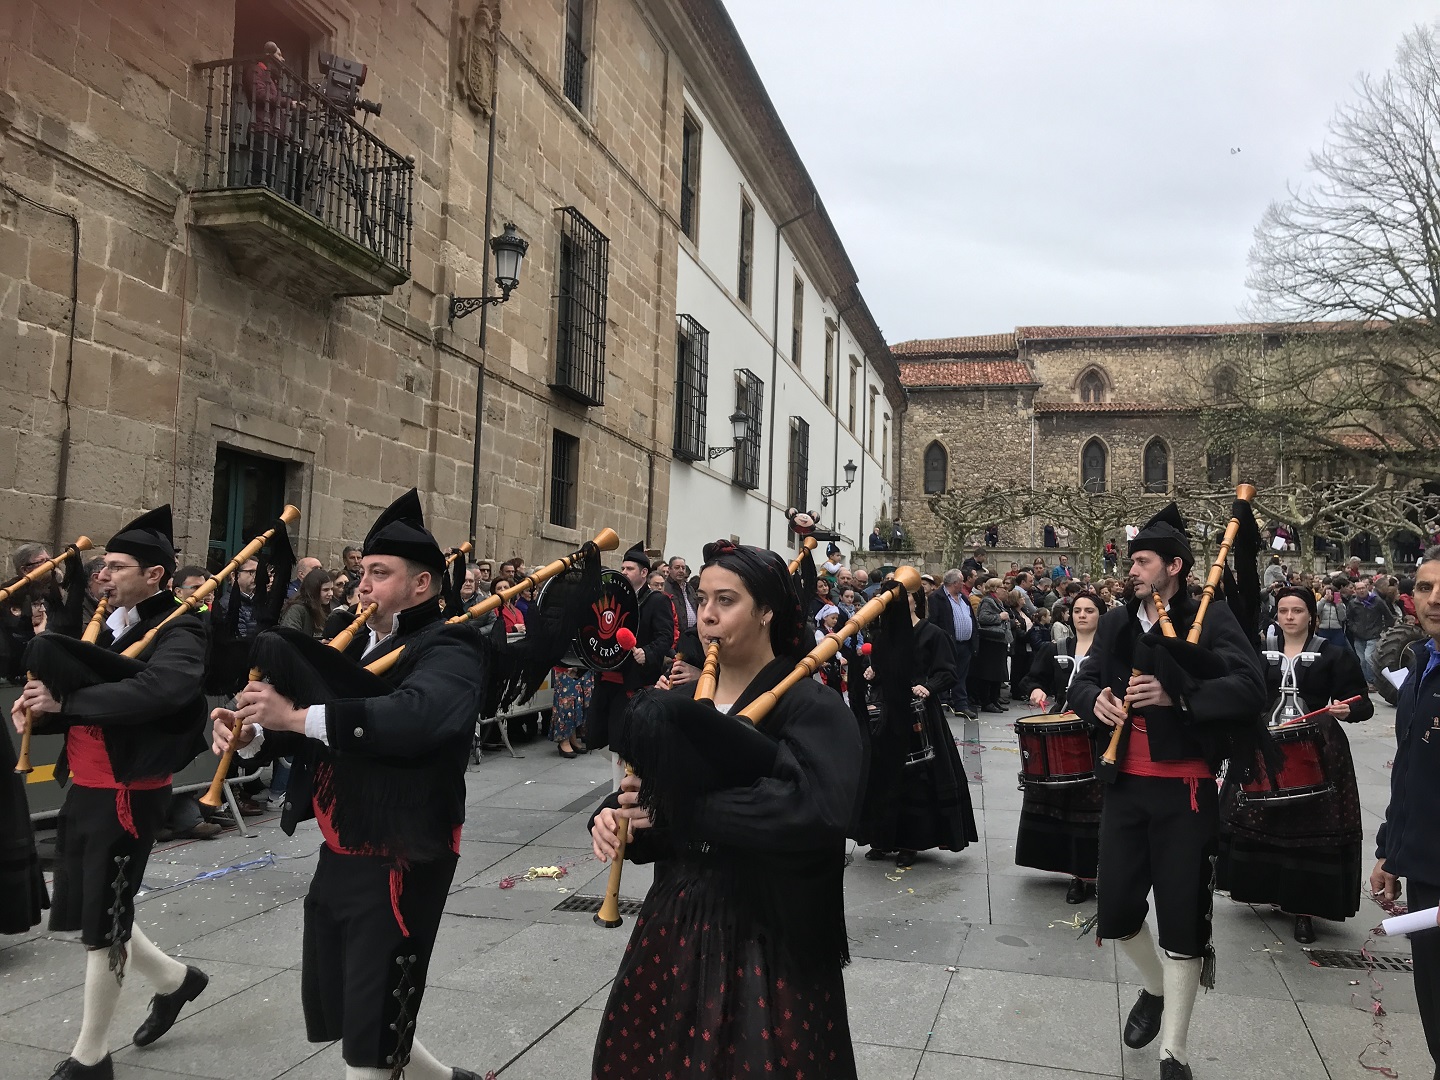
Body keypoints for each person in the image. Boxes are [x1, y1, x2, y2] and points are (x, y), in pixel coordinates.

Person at [214, 489, 492, 1080]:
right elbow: (312, 730)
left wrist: (294, 715)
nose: (361, 586)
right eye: (361, 572)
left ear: (423, 586)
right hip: (342, 845)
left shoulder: (452, 645)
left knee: (370, 1020)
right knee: (358, 993)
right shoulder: (355, 639)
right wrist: (257, 735)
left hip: (402, 848)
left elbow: (416, 719)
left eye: (379, 574)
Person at [592, 539, 863, 1078]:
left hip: (767, 933)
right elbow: (658, 804)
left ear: (766, 612)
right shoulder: (684, 699)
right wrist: (618, 818)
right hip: (675, 921)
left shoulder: (811, 705)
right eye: (703, 598)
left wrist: (678, 811)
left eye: (726, 600)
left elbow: (814, 813)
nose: (708, 615)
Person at [1068, 504, 1268, 1080]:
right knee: (1118, 911)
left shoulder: (1212, 615)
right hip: (1125, 785)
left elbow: (1250, 686)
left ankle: (1173, 1051)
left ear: (1174, 567)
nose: (1131, 569)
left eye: (1142, 561)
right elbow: (1083, 680)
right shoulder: (1116, 621)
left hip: (1186, 790)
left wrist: (1179, 698)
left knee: (1181, 917)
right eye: (1131, 560)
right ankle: (1153, 987)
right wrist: (1093, 702)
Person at [14, 507, 211, 1080]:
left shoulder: (182, 626)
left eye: (119, 567)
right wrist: (40, 710)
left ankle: (90, 1056)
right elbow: (80, 694)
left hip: (129, 791)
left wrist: (67, 703)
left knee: (106, 924)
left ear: (155, 576)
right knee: (100, 908)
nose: (104, 574)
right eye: (104, 566)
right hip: (87, 782)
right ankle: (179, 982)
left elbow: (162, 690)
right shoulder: (113, 620)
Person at [1217, 587, 1372, 944]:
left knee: (1310, 825)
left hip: (1320, 750)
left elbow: (1363, 703)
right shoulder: (1257, 655)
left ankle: (1305, 908)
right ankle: (1270, 889)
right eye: (1283, 610)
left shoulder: (1334, 655)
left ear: (1311, 616)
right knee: (1267, 816)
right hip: (1267, 746)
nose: (1289, 616)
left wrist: (1350, 709)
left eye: (1297, 611)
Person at [1371, 546, 1440, 1076]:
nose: (1434, 598)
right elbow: (1409, 773)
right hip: (1424, 869)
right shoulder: (1421, 669)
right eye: (1423, 587)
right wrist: (1390, 854)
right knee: (1434, 1011)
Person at [860, 585, 978, 868]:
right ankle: (882, 838)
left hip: (919, 714)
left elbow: (947, 673)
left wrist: (928, 686)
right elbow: (882, 673)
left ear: (915, 602)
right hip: (888, 712)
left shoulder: (933, 634)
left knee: (916, 777)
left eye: (901, 598)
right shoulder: (882, 636)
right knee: (882, 774)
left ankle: (909, 842)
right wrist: (873, 674)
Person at [1018, 591, 1106, 904]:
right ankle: (1075, 873)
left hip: (1098, 732)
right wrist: (1037, 689)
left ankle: (1093, 874)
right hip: (1061, 730)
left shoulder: (1110, 651)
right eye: (1077, 610)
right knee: (1065, 803)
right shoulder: (1055, 648)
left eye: (1090, 611)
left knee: (1093, 808)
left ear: (1100, 615)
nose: (1082, 615)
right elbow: (1029, 680)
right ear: (1069, 616)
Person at [584, 543, 677, 763]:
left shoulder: (657, 600)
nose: (623, 572)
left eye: (629, 569)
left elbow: (665, 636)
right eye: (623, 568)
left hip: (634, 683)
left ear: (644, 573)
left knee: (625, 744)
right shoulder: (615, 598)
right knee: (608, 741)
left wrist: (647, 652)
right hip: (608, 681)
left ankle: (623, 792)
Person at [973, 577, 1011, 713]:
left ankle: (994, 700)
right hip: (990, 641)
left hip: (999, 641)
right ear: (994, 589)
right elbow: (983, 618)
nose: (1005, 590)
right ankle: (987, 701)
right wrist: (999, 617)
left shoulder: (998, 601)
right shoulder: (988, 601)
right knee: (989, 673)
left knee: (998, 674)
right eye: (1003, 588)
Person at [279, 567, 333, 639]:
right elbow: (290, 639)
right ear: (314, 590)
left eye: (331, 589)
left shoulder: (324, 608)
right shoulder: (296, 609)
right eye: (326, 590)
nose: (331, 593)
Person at [662, 555, 697, 634]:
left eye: (683, 568)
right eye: (677, 567)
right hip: (676, 634)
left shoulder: (689, 587)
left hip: (692, 634)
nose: (681, 571)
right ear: (670, 569)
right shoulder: (666, 588)